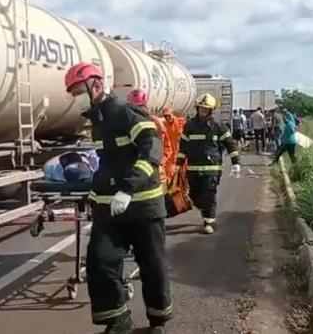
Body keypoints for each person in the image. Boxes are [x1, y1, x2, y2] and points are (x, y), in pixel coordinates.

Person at [64, 63, 172, 334]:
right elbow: (107, 163)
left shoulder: (126, 114)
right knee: (100, 262)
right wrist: (94, 194)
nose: (80, 97)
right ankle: (119, 321)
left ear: (96, 86)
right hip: (111, 210)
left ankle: (158, 322)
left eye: (81, 90)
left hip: (144, 206)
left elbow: (152, 150)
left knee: (152, 265)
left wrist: (127, 188)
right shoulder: (98, 121)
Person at [176, 93, 241, 235]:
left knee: (209, 195)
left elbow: (230, 144)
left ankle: (208, 222)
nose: (203, 112)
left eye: (206, 109)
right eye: (201, 109)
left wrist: (236, 163)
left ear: (211, 111)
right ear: (197, 108)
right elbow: (183, 146)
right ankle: (204, 209)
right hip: (193, 168)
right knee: (194, 195)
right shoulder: (189, 125)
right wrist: (178, 162)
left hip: (212, 169)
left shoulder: (218, 126)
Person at [126, 88, 172, 188]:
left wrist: (158, 162)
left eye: (138, 107)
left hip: (154, 171)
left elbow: (166, 147)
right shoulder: (126, 123)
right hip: (135, 171)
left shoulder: (155, 123)